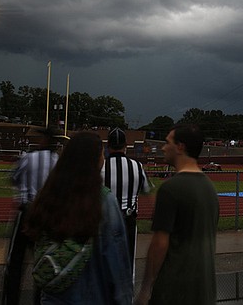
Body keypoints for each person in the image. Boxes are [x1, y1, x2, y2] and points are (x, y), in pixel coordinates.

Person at [25, 130, 133, 304]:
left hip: (53, 296)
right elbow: (116, 260)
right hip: (91, 295)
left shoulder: (48, 195)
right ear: (96, 158)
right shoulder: (103, 200)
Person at [135, 125, 219, 305]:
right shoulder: (210, 188)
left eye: (167, 142)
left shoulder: (170, 189)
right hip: (205, 290)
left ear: (180, 146)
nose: (164, 147)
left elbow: (159, 243)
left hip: (174, 290)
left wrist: (145, 289)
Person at [4, 126, 62, 305]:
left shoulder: (28, 158)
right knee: (44, 263)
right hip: (46, 216)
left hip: (27, 212)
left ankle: (11, 300)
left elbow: (14, 178)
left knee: (15, 263)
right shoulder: (56, 160)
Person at [103, 127, 150, 274]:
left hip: (104, 221)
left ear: (108, 146)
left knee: (104, 264)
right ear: (126, 146)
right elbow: (146, 189)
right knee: (127, 263)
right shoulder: (137, 166)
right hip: (128, 219)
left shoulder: (100, 167)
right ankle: (127, 294)